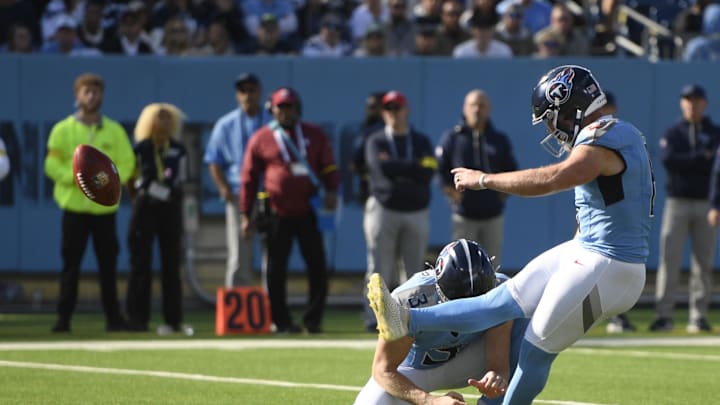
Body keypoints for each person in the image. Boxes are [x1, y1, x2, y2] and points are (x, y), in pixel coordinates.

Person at [368, 65, 654, 404]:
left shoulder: (604, 136)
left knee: (534, 352)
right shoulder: (616, 134)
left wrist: (484, 180)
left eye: (552, 117)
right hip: (589, 249)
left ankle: (411, 322)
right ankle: (408, 319)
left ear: (570, 105)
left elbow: (554, 178)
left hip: (610, 263)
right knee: (499, 302)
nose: (551, 127)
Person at [356, 239, 530, 405]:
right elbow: (383, 370)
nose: (466, 312)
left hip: (470, 362)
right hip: (414, 370)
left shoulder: (500, 288)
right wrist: (429, 401)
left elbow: (498, 363)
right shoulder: (410, 297)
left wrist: (497, 376)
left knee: (523, 314)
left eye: (477, 304)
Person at [240, 87, 339, 334]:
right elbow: (249, 178)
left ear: (297, 108)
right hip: (276, 211)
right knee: (275, 270)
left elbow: (329, 167)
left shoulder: (313, 134)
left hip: (307, 210)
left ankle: (313, 320)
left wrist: (331, 191)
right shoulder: (262, 137)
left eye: (289, 107)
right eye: (280, 107)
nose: (285, 112)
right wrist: (245, 213)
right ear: (271, 110)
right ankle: (281, 321)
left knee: (317, 266)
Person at [44, 73, 136, 333]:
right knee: (70, 265)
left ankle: (114, 319)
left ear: (102, 96)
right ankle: (63, 319)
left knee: (108, 265)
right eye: (86, 91)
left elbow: (127, 163)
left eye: (96, 91)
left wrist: (105, 181)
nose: (91, 96)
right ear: (77, 95)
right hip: (74, 209)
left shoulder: (115, 131)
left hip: (104, 210)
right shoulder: (63, 130)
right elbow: (51, 164)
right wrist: (76, 177)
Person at [363, 90, 437, 331]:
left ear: (407, 110)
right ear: (383, 113)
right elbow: (380, 169)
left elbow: (428, 169)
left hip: (415, 210)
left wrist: (398, 168)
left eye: (398, 108)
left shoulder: (421, 141)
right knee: (379, 269)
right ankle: (375, 319)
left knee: (414, 270)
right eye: (389, 109)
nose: (394, 113)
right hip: (385, 209)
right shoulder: (376, 140)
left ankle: (412, 319)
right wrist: (411, 168)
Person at [651, 84, 720, 333]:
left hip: (706, 203)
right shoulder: (674, 132)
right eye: (687, 100)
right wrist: (701, 157)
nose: (692, 104)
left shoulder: (714, 132)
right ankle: (663, 315)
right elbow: (670, 161)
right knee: (669, 259)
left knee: (703, 261)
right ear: (682, 103)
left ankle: (698, 316)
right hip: (677, 202)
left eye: (696, 100)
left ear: (705, 103)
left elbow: (717, 168)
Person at [125, 103, 192, 336]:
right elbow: (130, 179)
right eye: (158, 117)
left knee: (171, 265)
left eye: (167, 118)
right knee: (140, 263)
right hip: (145, 208)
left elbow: (182, 180)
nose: (163, 122)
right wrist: (140, 195)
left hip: (170, 208)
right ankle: (137, 318)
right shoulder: (141, 148)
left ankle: (173, 320)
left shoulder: (178, 149)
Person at [436, 89, 517, 267]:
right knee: (462, 265)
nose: (477, 110)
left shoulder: (498, 139)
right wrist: (453, 193)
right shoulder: (453, 138)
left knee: (492, 265)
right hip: (464, 215)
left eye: (482, 105)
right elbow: (440, 169)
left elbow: (511, 169)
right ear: (465, 109)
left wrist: (500, 195)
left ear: (489, 109)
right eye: (473, 105)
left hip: (493, 214)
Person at [204, 73, 271, 288]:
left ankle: (272, 307)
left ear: (259, 92)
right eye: (243, 91)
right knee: (238, 254)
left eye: (252, 90)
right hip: (239, 194)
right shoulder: (226, 124)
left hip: (268, 195)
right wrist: (223, 188)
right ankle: (238, 312)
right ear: (237, 95)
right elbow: (214, 161)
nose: (248, 95)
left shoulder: (271, 123)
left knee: (273, 253)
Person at [599, 91, 637, 334]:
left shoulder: (622, 136)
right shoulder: (590, 139)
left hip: (620, 212)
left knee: (619, 266)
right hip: (597, 213)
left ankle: (619, 317)